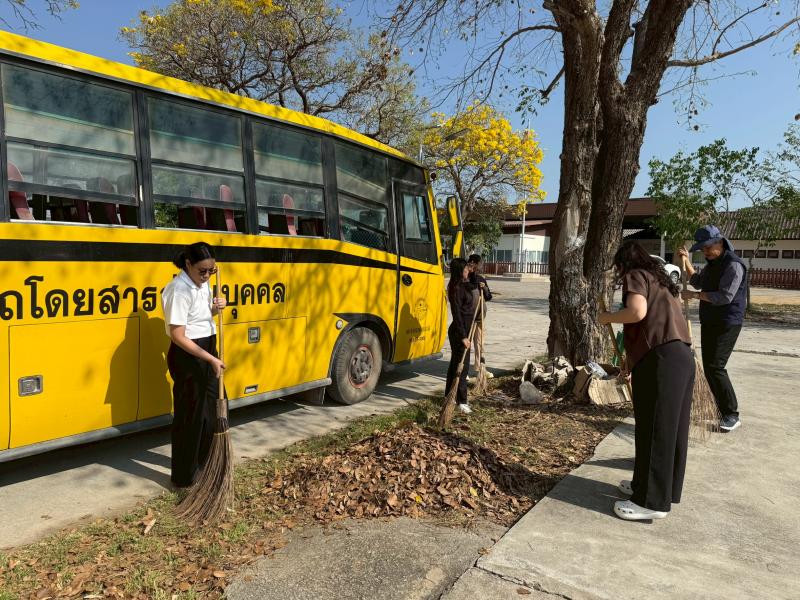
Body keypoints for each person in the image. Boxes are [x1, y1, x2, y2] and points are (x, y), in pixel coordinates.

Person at [599, 241, 694, 521]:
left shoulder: (636, 275)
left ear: (624, 263)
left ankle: (652, 502)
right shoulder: (661, 280)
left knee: (655, 429)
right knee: (670, 430)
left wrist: (607, 317)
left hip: (661, 361)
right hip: (680, 357)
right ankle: (653, 487)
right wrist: (632, 360)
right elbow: (652, 323)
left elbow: (637, 312)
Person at [161, 241, 227, 488]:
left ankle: (206, 465)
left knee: (212, 412)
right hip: (189, 355)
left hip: (208, 345)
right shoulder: (178, 290)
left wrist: (215, 309)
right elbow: (178, 335)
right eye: (202, 271)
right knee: (191, 417)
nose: (207, 275)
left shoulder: (203, 282)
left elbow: (201, 316)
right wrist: (209, 358)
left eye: (211, 270)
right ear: (188, 264)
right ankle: (184, 477)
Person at [678, 225, 746, 433]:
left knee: (716, 367)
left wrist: (694, 296)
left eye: (708, 247)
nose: (705, 252)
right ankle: (719, 408)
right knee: (709, 368)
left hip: (727, 322)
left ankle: (731, 414)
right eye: (702, 249)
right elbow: (699, 282)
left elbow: (725, 296)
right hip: (710, 320)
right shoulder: (712, 264)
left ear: (720, 242)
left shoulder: (733, 265)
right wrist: (686, 261)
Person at [445, 257, 476, 415]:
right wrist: (463, 336)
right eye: (465, 269)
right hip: (459, 331)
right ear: (459, 272)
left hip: (466, 328)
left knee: (456, 365)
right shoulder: (455, 288)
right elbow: (456, 314)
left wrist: (480, 284)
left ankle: (449, 396)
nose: (467, 271)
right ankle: (461, 401)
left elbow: (474, 284)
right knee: (462, 367)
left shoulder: (464, 284)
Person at [467, 254, 493, 380]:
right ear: (473, 263)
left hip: (479, 316)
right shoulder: (465, 277)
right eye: (480, 263)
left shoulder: (481, 278)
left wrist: (485, 289)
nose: (481, 266)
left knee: (480, 343)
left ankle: (480, 368)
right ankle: (463, 371)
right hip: (468, 317)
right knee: (466, 343)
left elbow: (488, 297)